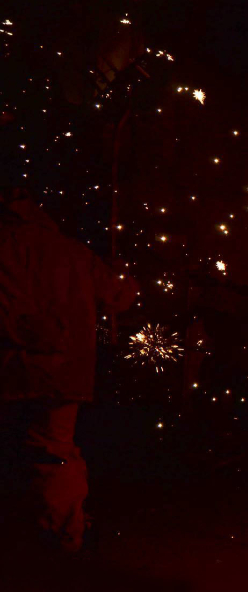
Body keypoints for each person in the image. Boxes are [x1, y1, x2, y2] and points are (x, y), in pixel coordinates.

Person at [0, 186, 136, 553]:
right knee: (56, 449)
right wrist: (120, 272)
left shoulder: (7, 245)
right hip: (67, 370)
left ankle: (55, 531)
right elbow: (119, 297)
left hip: (18, 364)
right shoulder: (74, 252)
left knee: (40, 450)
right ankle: (62, 527)